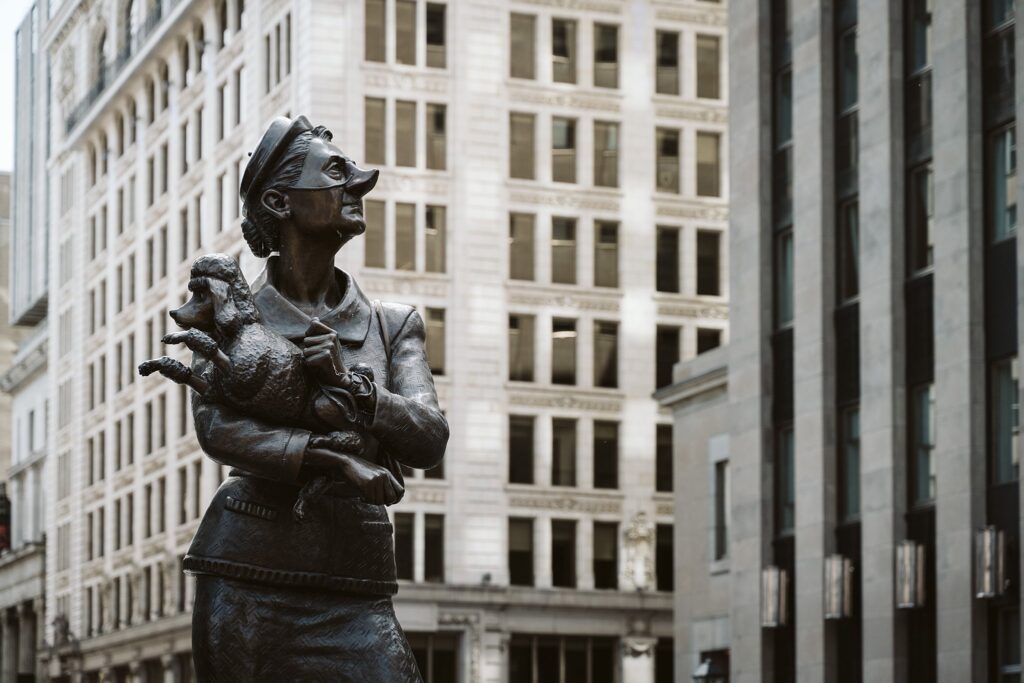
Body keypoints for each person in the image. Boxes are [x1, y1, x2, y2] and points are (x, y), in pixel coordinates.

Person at [184, 116, 448, 681]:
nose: (359, 182)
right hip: (246, 577)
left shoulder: (393, 326)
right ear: (280, 201)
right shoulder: (228, 313)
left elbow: (429, 437)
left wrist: (358, 388)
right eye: (336, 172)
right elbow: (219, 431)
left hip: (357, 580)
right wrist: (329, 457)